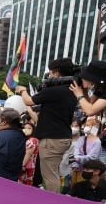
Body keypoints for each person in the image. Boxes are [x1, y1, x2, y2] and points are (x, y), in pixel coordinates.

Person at [16, 57, 77, 192]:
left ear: (56, 73)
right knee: (53, 173)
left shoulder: (55, 90)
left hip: (52, 139)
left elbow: (29, 101)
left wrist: (22, 90)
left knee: (50, 177)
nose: (49, 75)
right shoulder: (72, 90)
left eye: (50, 72)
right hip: (61, 137)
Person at [69, 60, 106, 200]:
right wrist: (85, 91)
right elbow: (88, 105)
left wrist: (79, 93)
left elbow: (90, 109)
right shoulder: (103, 88)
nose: (83, 78)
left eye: (86, 77)